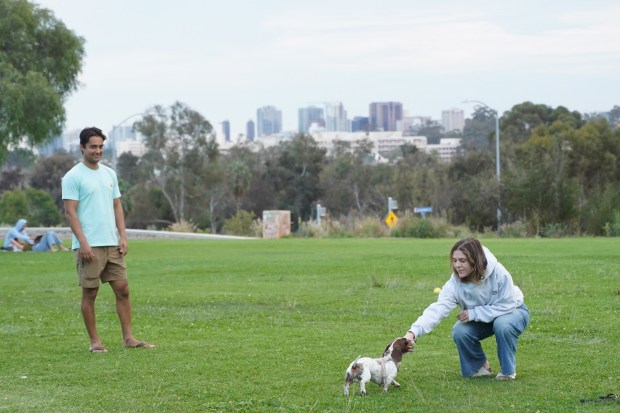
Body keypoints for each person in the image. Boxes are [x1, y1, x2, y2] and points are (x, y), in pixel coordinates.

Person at [61, 126, 154, 353]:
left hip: (112, 243)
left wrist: (122, 236)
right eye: (93, 146)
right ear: (82, 147)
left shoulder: (109, 174)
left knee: (123, 289)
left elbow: (117, 206)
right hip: (89, 245)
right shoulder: (73, 176)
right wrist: (82, 243)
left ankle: (129, 338)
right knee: (90, 293)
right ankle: (95, 343)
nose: (98, 151)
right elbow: (70, 212)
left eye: (101, 146)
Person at [404, 237, 529, 381]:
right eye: (454, 260)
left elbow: (508, 304)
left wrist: (474, 313)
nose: (457, 265)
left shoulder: (499, 272)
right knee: (460, 330)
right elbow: (437, 309)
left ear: (475, 260)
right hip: (482, 318)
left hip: (513, 311)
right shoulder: (454, 284)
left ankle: (507, 372)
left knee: (502, 325)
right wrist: (412, 333)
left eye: (462, 260)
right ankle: (479, 367)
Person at [2, 218, 68, 252]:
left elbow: (26, 239)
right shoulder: (13, 231)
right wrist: (29, 239)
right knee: (49, 233)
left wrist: (34, 239)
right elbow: (22, 238)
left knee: (51, 232)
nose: (25, 227)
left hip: (35, 245)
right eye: (24, 226)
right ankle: (52, 249)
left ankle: (61, 247)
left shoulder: (23, 232)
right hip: (35, 248)